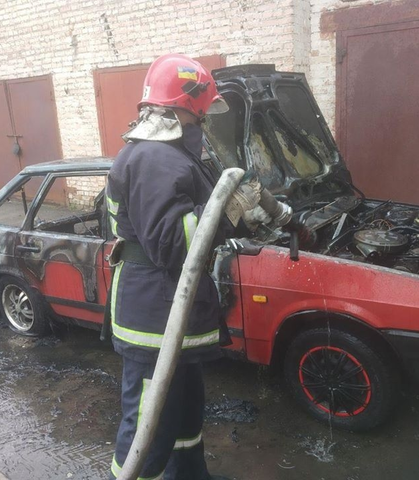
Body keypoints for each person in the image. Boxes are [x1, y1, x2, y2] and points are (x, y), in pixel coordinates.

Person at [105, 54, 275, 480]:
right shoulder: (155, 157)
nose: (205, 117)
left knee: (183, 420)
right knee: (147, 433)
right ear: (190, 101)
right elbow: (173, 244)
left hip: (170, 316)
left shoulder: (171, 153)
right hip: (155, 319)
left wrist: (242, 214)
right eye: (204, 109)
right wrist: (231, 209)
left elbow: (197, 221)